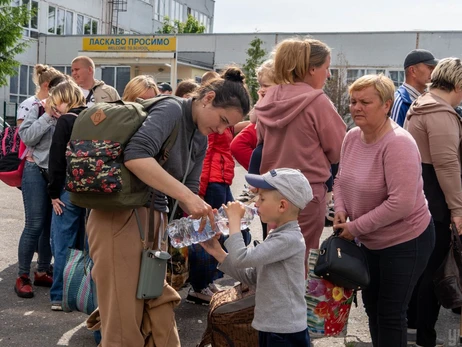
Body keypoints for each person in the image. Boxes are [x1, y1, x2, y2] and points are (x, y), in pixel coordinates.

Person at [85, 67, 251, 346]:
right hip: (120, 218)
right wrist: (188, 199)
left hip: (152, 222)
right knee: (124, 325)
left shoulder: (200, 135)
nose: (222, 130)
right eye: (222, 120)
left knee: (157, 310)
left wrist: (203, 226)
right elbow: (136, 156)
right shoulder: (172, 110)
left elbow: (191, 190)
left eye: (228, 127)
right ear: (208, 98)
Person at [333, 74, 435, 347]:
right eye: (353, 101)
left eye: (366, 102)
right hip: (369, 240)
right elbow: (341, 179)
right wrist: (341, 209)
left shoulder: (398, 143)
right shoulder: (353, 136)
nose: (356, 108)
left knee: (390, 313)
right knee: (372, 307)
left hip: (405, 241)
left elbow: (400, 203)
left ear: (387, 105)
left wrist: (354, 227)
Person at [201, 168, 312, 347]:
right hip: (270, 327)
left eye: (262, 199)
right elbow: (252, 277)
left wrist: (234, 223)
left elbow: (241, 258)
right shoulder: (278, 235)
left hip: (285, 332)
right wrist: (217, 251)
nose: (255, 204)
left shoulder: (288, 239)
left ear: (282, 206)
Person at [255, 37, 346, 255]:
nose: (329, 74)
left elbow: (260, 141)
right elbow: (339, 149)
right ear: (312, 69)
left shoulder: (269, 97)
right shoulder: (317, 102)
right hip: (305, 192)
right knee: (300, 262)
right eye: (327, 67)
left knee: (274, 257)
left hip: (272, 190)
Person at [405, 57, 462, 347]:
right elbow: (447, 165)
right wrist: (458, 208)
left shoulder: (421, 105)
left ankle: (418, 329)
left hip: (420, 194)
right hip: (437, 200)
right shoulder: (441, 113)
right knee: (435, 270)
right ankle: (426, 336)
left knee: (423, 268)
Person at [186, 70, 250, 305]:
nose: (224, 129)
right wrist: (198, 191)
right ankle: (200, 285)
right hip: (211, 180)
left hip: (221, 178)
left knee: (232, 228)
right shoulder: (209, 122)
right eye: (224, 123)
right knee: (207, 232)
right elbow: (205, 154)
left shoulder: (223, 120)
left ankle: (210, 279)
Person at [15, 64, 64, 298]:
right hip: (35, 169)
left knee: (48, 226)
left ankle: (43, 270)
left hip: (55, 173)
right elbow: (27, 136)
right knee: (34, 224)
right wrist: (47, 115)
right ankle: (22, 275)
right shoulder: (36, 107)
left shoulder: (69, 111)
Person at [47, 80, 87, 311]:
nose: (55, 109)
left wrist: (53, 194)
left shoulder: (67, 120)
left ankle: (60, 296)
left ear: (64, 99)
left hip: (68, 190)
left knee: (63, 245)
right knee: (86, 245)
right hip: (94, 191)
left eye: (55, 104)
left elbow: (56, 159)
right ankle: (83, 294)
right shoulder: (93, 115)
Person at [231, 59, 276, 172]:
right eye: (260, 85)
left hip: (272, 141)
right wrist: (260, 102)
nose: (261, 89)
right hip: (264, 140)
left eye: (266, 85)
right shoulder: (264, 101)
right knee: (256, 154)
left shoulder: (281, 102)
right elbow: (253, 119)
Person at [390, 49, 438, 127]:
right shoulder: (400, 102)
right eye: (430, 67)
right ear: (413, 70)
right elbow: (394, 137)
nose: (433, 72)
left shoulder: (427, 98)